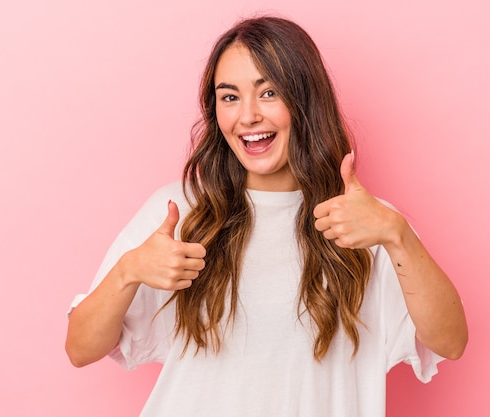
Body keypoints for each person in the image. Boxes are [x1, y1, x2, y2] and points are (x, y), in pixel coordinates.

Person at [65, 15, 468, 417]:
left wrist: (398, 235)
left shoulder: (366, 223)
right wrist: (129, 270)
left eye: (269, 92)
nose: (248, 116)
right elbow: (80, 349)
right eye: (230, 97)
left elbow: (450, 342)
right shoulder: (180, 211)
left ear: (305, 101)